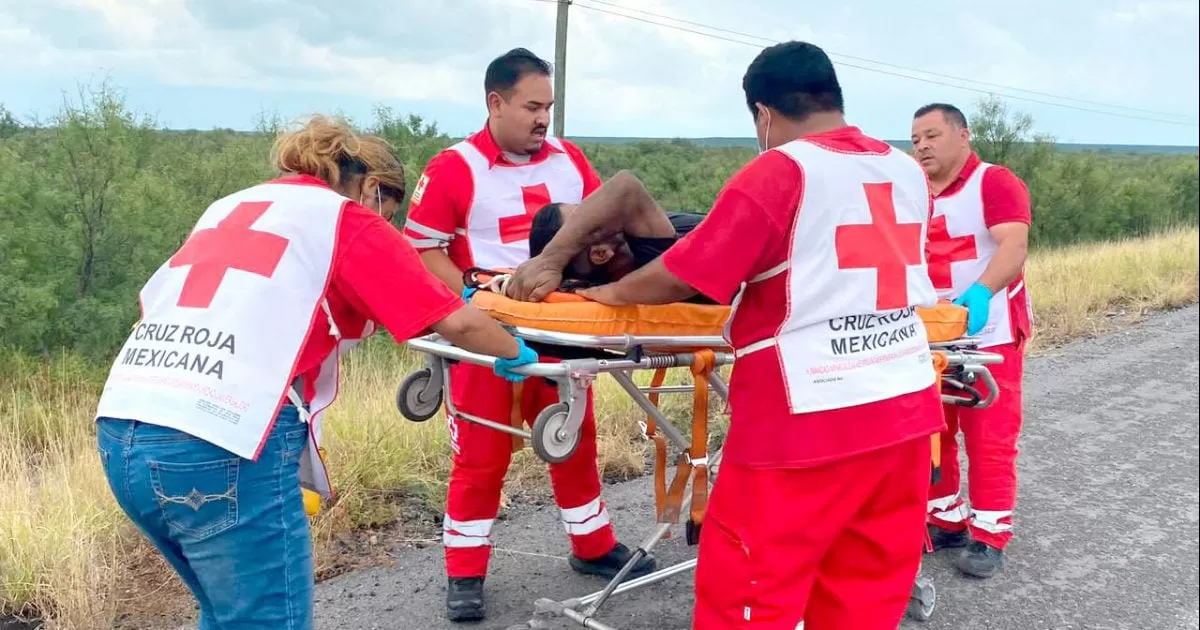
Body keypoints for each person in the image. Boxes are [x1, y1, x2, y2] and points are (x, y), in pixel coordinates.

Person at [92, 114, 538, 630]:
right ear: (370, 187)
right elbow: (457, 322)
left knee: (224, 616)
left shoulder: (230, 207)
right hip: (222, 443)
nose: (386, 227)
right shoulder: (345, 218)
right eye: (387, 213)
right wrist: (515, 352)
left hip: (125, 429)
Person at [578, 40, 948, 630]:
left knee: (748, 595)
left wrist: (610, 295)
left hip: (803, 427)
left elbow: (688, 271)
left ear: (764, 114)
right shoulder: (905, 169)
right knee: (865, 598)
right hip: (904, 414)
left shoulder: (781, 171)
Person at [401, 47, 656, 622]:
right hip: (489, 328)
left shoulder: (570, 160)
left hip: (563, 324)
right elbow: (422, 250)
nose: (543, 119)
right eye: (531, 107)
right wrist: (468, 291)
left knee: (574, 438)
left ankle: (592, 546)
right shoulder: (453, 167)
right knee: (481, 454)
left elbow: (602, 223)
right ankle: (464, 571)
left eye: (549, 107)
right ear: (495, 103)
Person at [911, 102, 1033, 578]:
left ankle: (989, 533)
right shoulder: (913, 191)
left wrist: (981, 292)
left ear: (964, 135)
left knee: (989, 437)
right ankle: (947, 519)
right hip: (929, 334)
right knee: (932, 430)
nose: (921, 145)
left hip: (991, 333)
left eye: (932, 135)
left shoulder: (994, 182)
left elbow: (1013, 245)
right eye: (915, 137)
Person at [506, 169, 704, 302]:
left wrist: (548, 260)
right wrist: (551, 260)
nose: (592, 213)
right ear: (601, 253)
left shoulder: (637, 230)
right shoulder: (651, 259)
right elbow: (626, 188)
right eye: (581, 220)